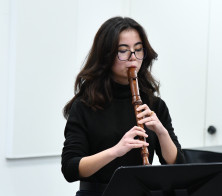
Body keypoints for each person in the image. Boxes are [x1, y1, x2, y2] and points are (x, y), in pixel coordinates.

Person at [61, 16, 185, 196]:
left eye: (138, 50)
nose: (133, 58)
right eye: (123, 51)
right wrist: (115, 151)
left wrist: (161, 132)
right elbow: (70, 169)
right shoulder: (85, 105)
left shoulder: (154, 105)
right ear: (106, 55)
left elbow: (177, 165)